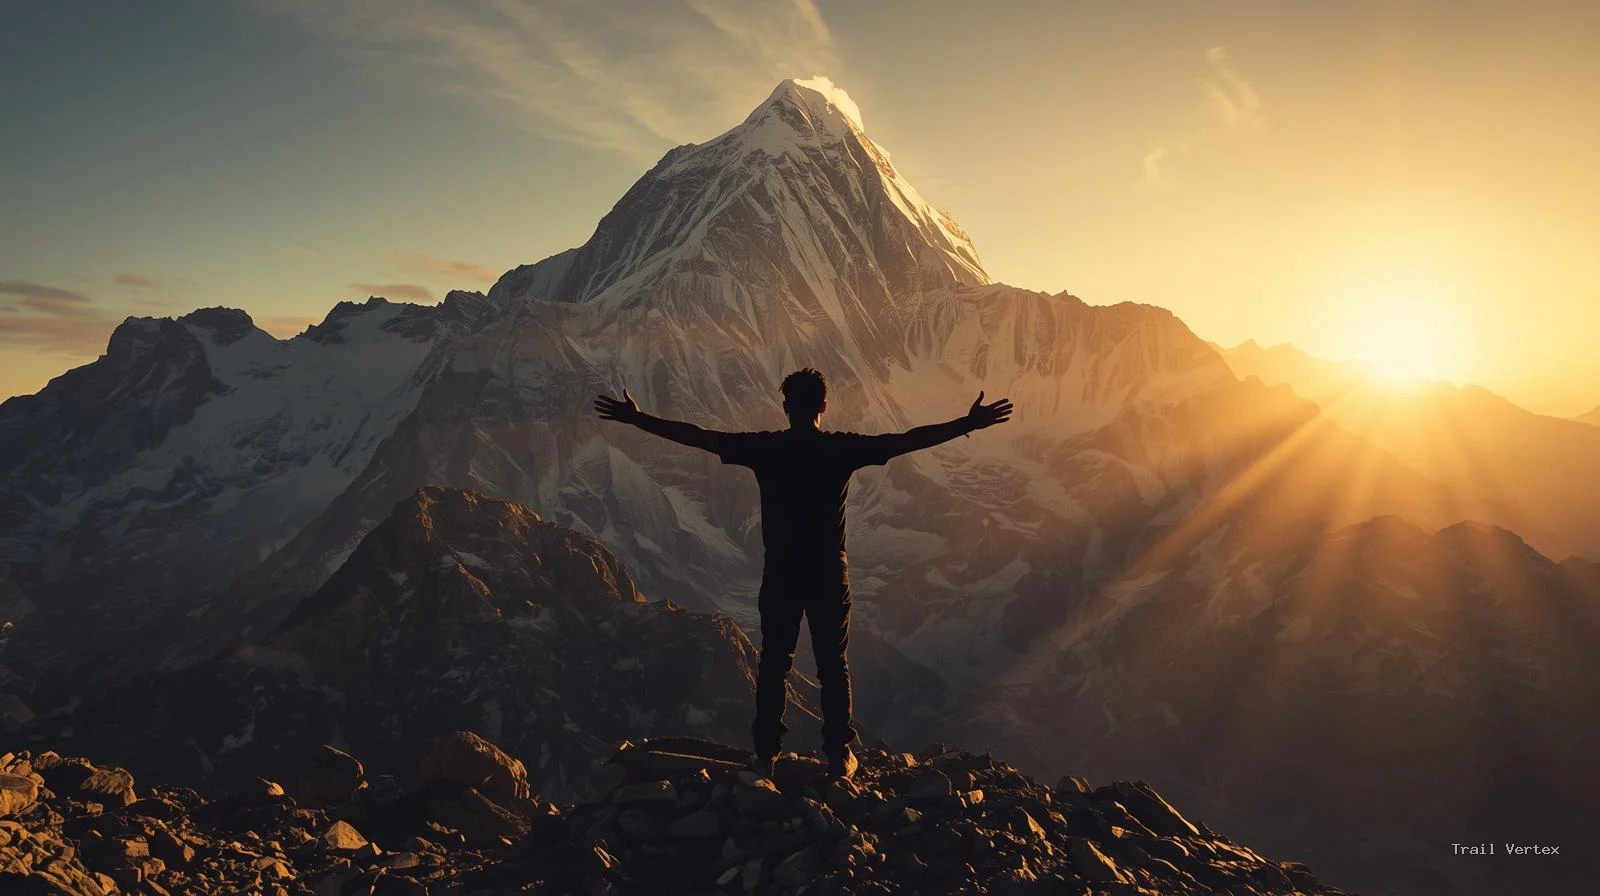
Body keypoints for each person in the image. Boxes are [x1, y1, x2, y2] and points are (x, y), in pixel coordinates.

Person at [595, 368, 1013, 779]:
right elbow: (904, 441)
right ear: (824, 407)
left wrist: (638, 418)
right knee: (834, 665)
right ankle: (838, 756)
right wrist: (967, 424)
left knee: (774, 662)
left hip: (781, 573)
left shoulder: (766, 449)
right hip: (830, 572)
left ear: (785, 407)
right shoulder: (840, 449)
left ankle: (765, 756)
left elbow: (701, 437)